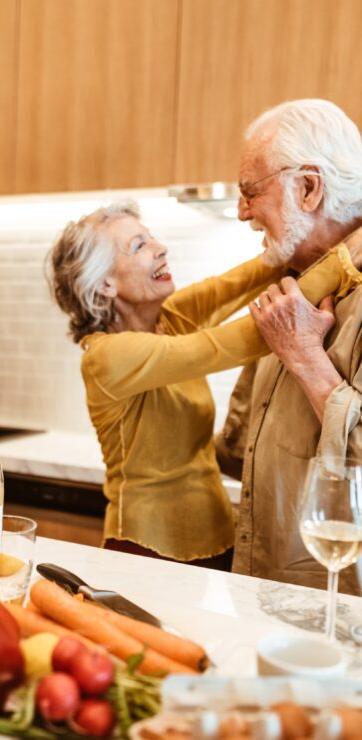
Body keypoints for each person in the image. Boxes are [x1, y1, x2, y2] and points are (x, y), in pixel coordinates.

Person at [47, 198, 361, 569]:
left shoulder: (170, 317)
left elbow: (248, 278)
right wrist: (344, 260)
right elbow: (247, 337)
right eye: (139, 246)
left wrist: (307, 236)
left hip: (218, 540)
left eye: (151, 238)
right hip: (146, 548)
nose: (160, 248)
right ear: (104, 284)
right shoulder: (107, 356)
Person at [215, 99, 362, 593]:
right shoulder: (290, 287)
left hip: (341, 617)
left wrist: (305, 357)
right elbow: (242, 450)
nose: (241, 212)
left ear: (308, 187)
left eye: (250, 191)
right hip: (268, 595)